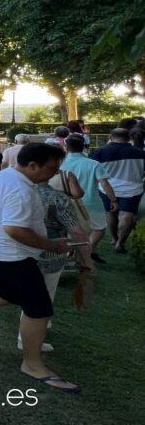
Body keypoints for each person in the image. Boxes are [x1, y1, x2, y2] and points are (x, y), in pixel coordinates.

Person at [0, 143, 81, 393]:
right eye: (52, 168)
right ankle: (32, 364)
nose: (55, 173)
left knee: (6, 293)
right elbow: (14, 229)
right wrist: (51, 245)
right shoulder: (19, 189)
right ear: (33, 165)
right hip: (12, 256)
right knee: (39, 308)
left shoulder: (6, 176)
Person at [29, 172, 93, 353]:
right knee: (43, 297)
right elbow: (77, 232)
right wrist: (87, 260)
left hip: (24, 253)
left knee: (32, 295)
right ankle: (30, 338)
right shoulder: (58, 198)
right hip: (52, 255)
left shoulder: (21, 192)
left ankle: (35, 331)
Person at [59, 135, 116, 263]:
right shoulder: (94, 164)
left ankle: (77, 253)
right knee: (99, 228)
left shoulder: (61, 164)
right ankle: (87, 250)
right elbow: (104, 183)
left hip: (66, 202)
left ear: (66, 148)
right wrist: (113, 200)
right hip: (91, 202)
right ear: (84, 147)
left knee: (70, 230)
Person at [91, 128, 144, 253]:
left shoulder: (100, 152)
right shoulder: (141, 153)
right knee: (127, 215)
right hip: (132, 190)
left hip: (107, 188)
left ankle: (114, 238)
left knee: (111, 213)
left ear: (110, 137)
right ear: (129, 138)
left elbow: (93, 170)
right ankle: (120, 243)